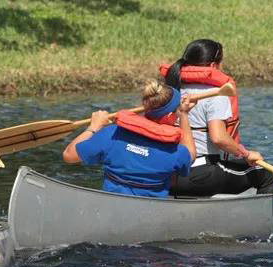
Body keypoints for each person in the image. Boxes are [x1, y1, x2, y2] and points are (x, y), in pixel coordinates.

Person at [161, 39, 273, 196]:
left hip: (169, 174)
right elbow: (219, 138)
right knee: (263, 174)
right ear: (213, 66)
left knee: (237, 167)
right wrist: (246, 154)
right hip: (202, 174)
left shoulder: (169, 90)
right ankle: (269, 220)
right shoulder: (217, 94)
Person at [62, 80, 196, 198]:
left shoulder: (112, 134)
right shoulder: (173, 152)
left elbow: (69, 155)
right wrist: (184, 115)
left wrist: (94, 126)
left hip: (111, 208)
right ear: (168, 116)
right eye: (176, 112)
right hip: (150, 213)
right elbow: (190, 154)